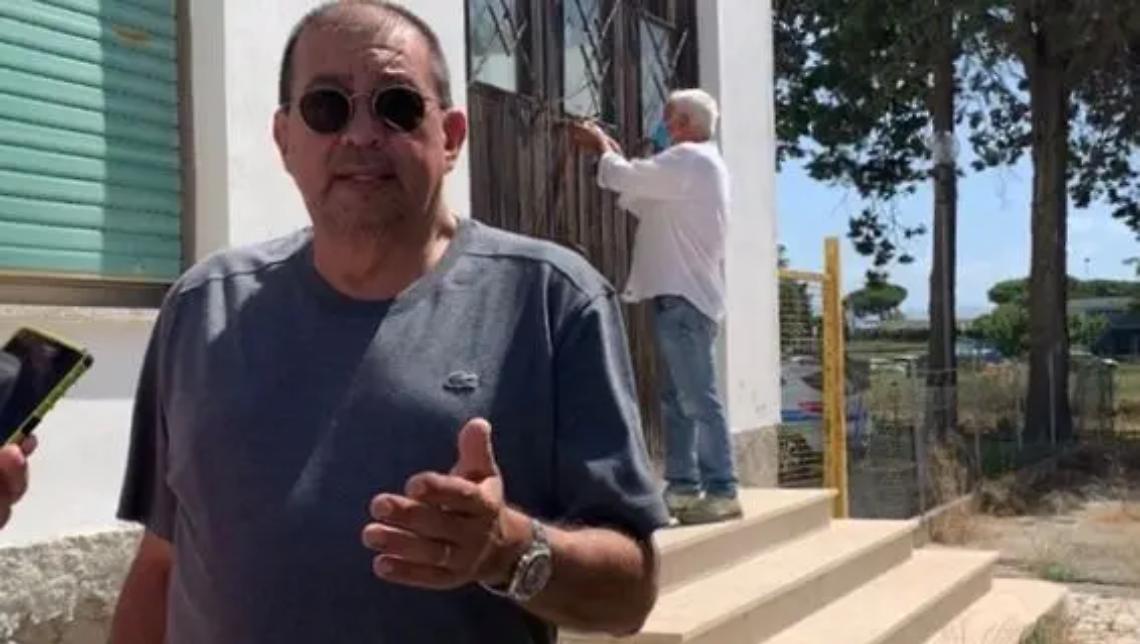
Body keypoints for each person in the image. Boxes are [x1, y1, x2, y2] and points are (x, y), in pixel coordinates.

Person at [109, 2, 667, 643]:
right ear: (285, 139)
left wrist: (507, 550)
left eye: (396, 106)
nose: (361, 135)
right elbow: (162, 564)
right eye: (327, 107)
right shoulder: (201, 309)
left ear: (450, 137)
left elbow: (630, 596)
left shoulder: (551, 301)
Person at [569, 90, 741, 525]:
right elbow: (638, 194)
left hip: (684, 299)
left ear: (684, 123)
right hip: (680, 298)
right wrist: (613, 157)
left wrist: (603, 149)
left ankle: (722, 489)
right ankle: (683, 486)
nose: (662, 126)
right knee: (677, 400)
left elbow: (626, 177)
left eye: (668, 118)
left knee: (697, 398)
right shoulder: (693, 167)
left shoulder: (690, 159)